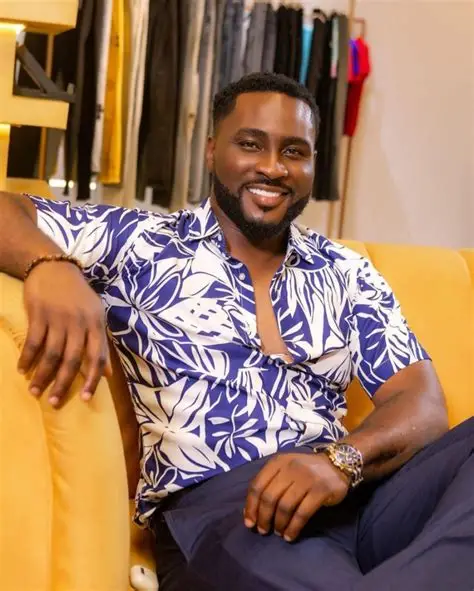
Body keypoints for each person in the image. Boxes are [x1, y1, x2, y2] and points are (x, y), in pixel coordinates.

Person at [0, 72, 472, 590]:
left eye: (294, 151)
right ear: (211, 151)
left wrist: (341, 462)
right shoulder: (142, 242)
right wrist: (50, 265)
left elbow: (421, 403)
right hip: (230, 511)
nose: (272, 167)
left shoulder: (346, 271)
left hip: (354, 492)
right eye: (250, 144)